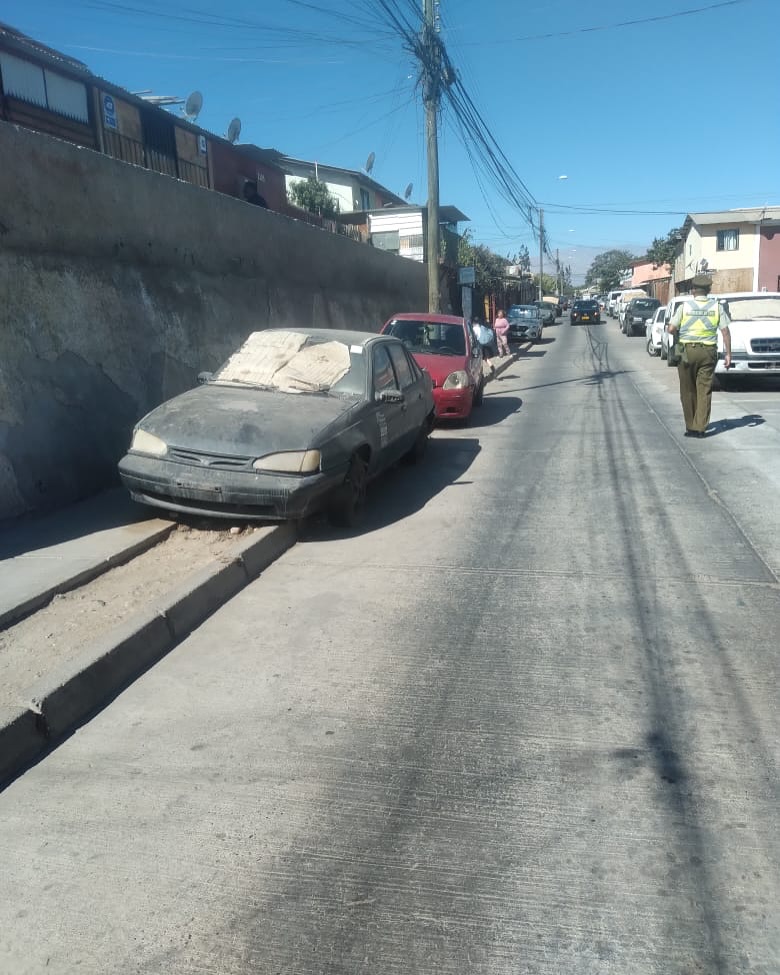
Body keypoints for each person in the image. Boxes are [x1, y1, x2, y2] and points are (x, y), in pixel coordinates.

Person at [668, 274, 731, 438]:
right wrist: (728, 354)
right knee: (704, 390)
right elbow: (725, 331)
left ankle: (690, 427)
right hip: (708, 352)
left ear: (693, 290)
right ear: (708, 290)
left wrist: (681, 333)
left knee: (687, 390)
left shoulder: (684, 307)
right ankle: (701, 428)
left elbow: (671, 329)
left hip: (686, 351)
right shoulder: (717, 307)